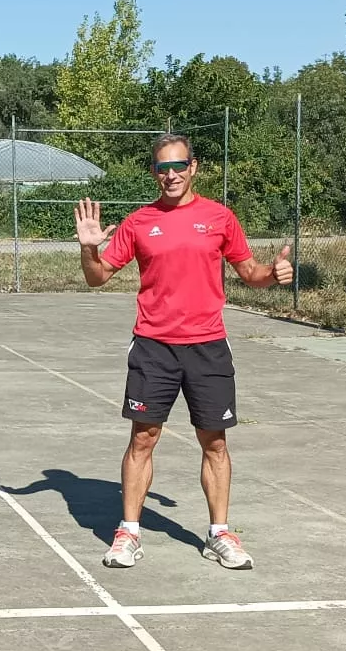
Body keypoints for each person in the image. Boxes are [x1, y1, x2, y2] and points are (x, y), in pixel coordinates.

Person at [75, 133, 293, 570]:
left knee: (215, 441)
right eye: (163, 168)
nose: (171, 175)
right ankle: (128, 533)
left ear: (193, 168)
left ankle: (219, 533)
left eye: (179, 166)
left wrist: (273, 273)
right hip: (153, 347)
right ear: (154, 172)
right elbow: (97, 277)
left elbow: (250, 273)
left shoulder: (219, 217)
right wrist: (88, 247)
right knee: (143, 438)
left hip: (208, 347)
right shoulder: (139, 222)